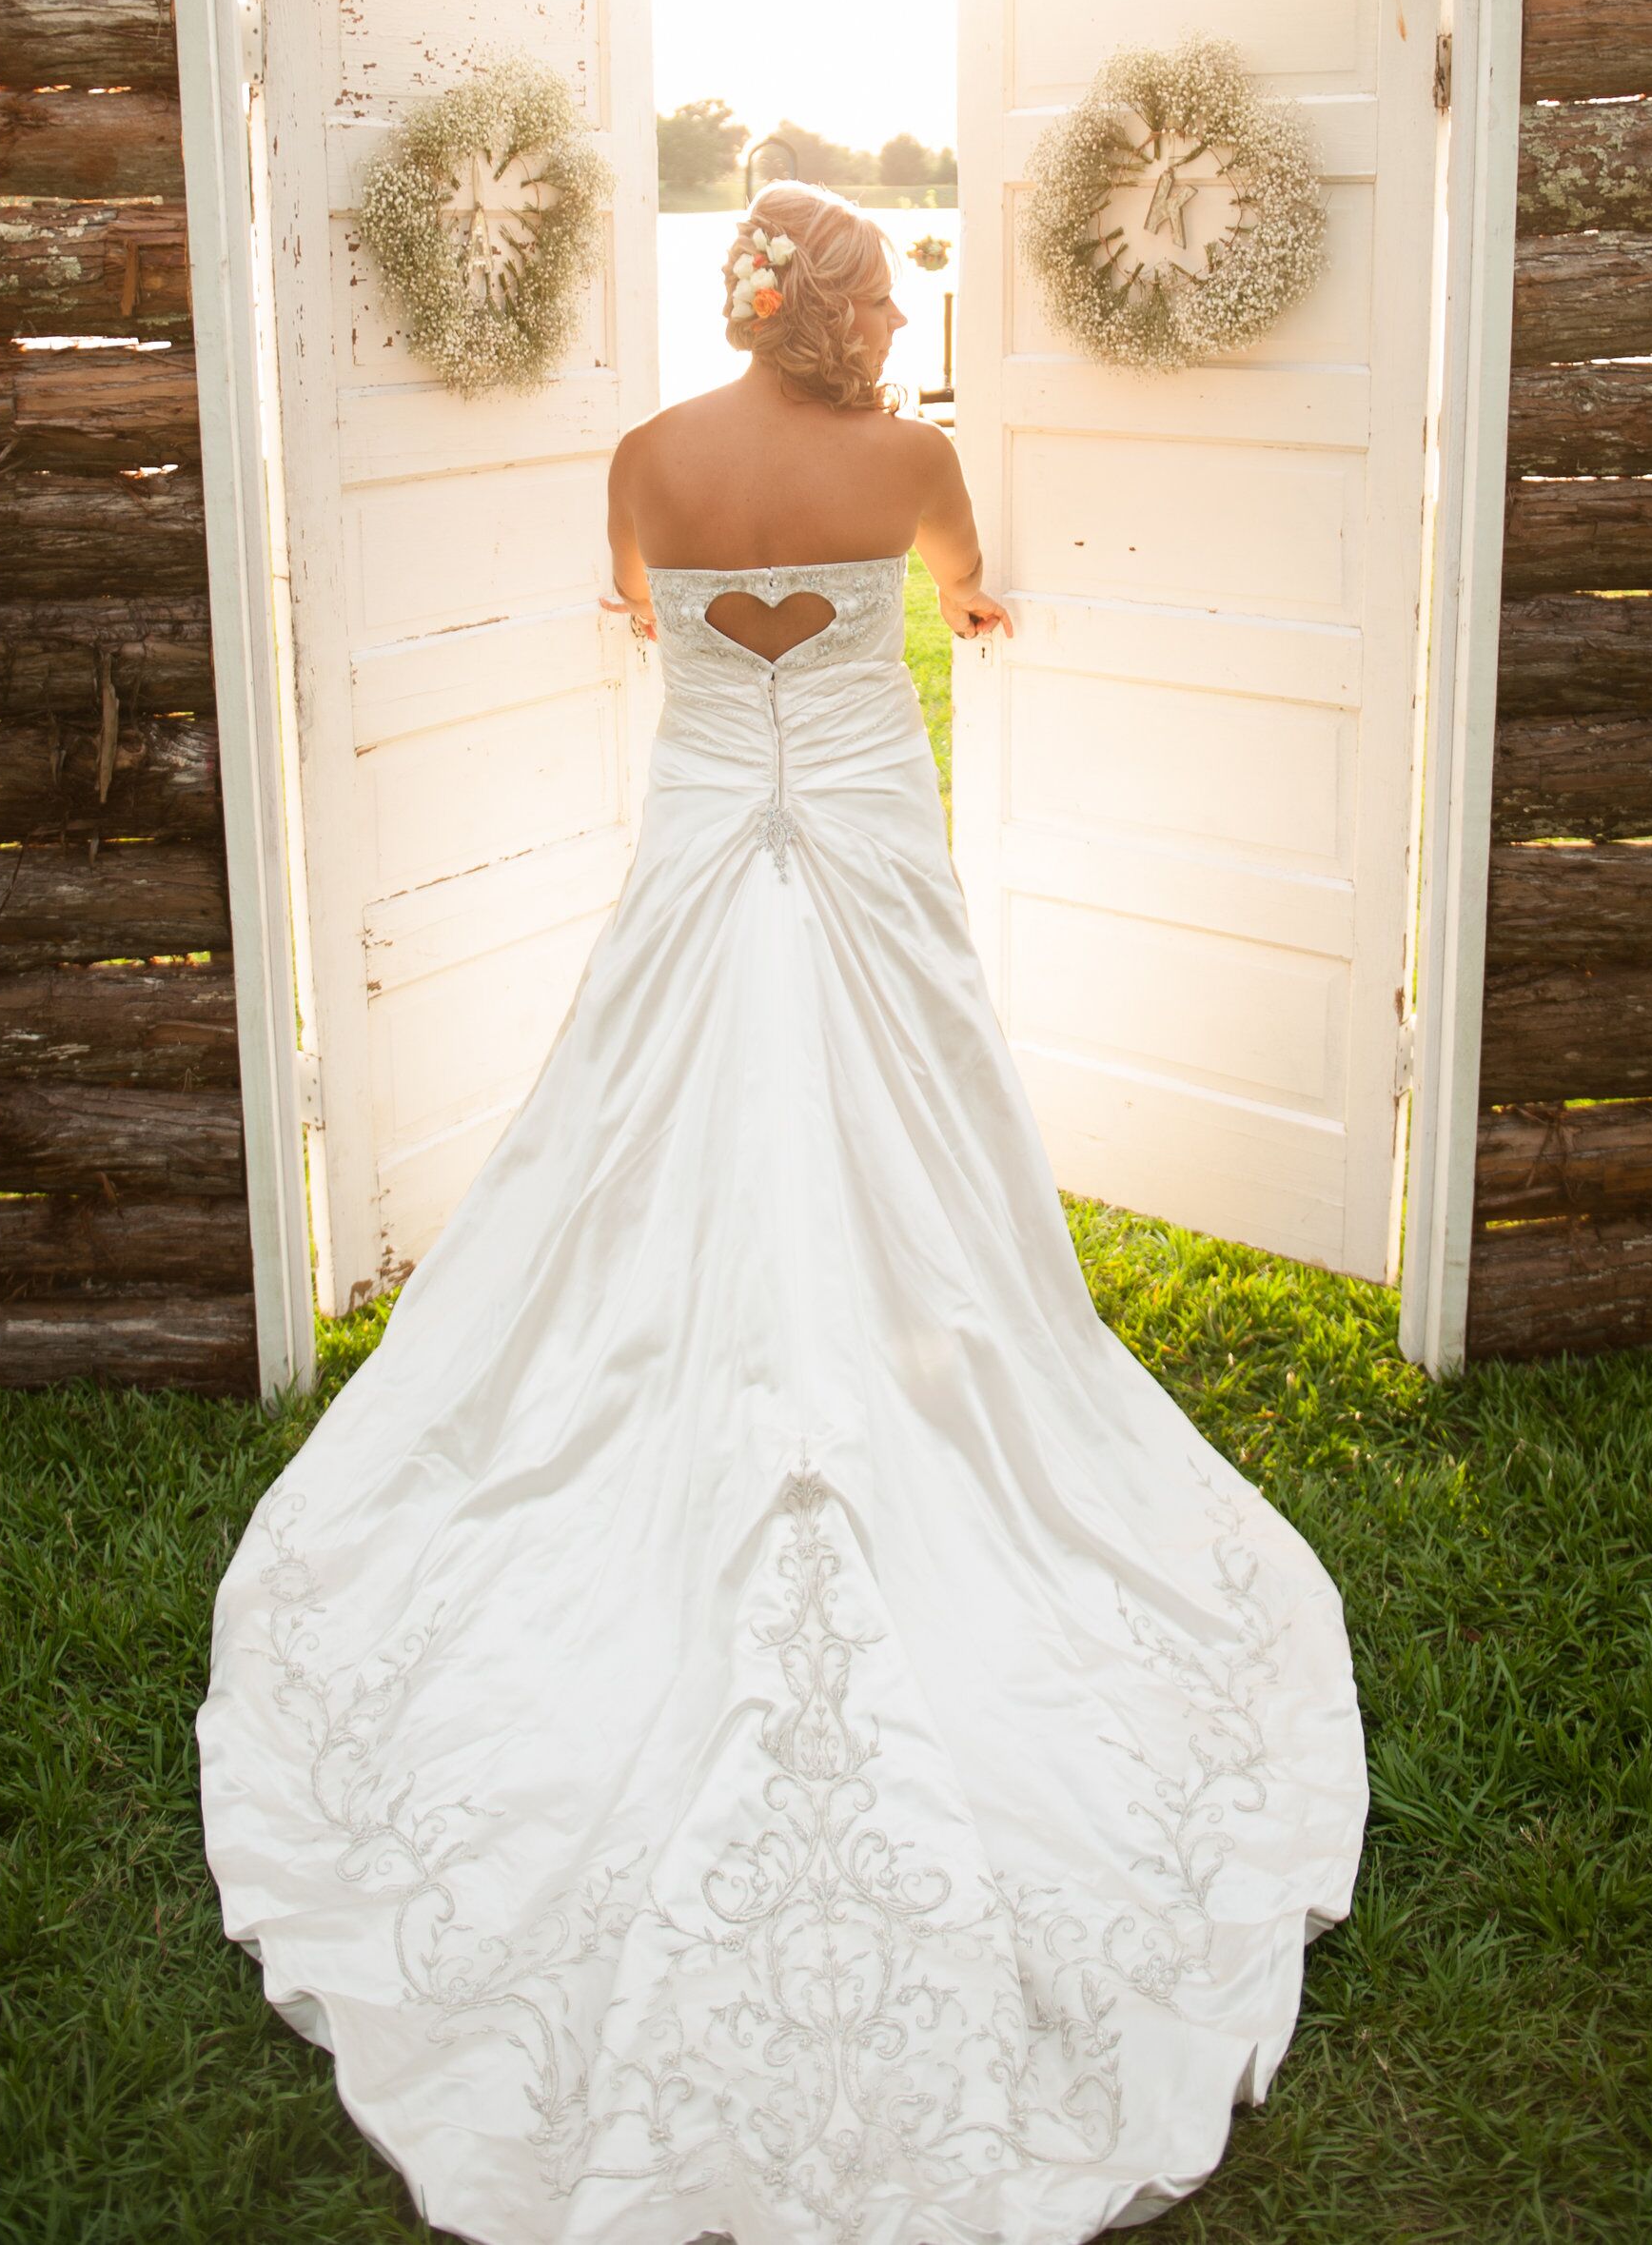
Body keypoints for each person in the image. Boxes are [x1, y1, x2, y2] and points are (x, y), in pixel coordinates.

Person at [198, 183, 1366, 2245]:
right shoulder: (914, 459)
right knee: (923, 1135)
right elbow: (954, 588)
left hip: (695, 855)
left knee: (626, 1124)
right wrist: (964, 614)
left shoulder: (645, 458)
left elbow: (647, 619)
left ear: (737, 299)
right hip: (868, 850)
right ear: (860, 303)